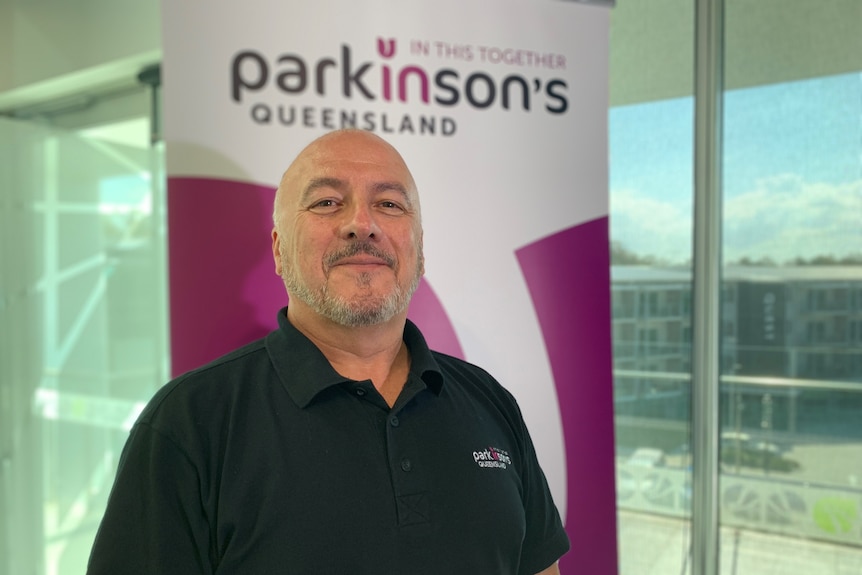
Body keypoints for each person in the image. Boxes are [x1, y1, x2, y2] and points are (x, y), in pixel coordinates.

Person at [87, 129, 569, 574]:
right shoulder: (188, 424)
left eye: (389, 204)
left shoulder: (490, 402)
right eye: (326, 202)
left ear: (419, 251)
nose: (362, 224)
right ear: (278, 250)